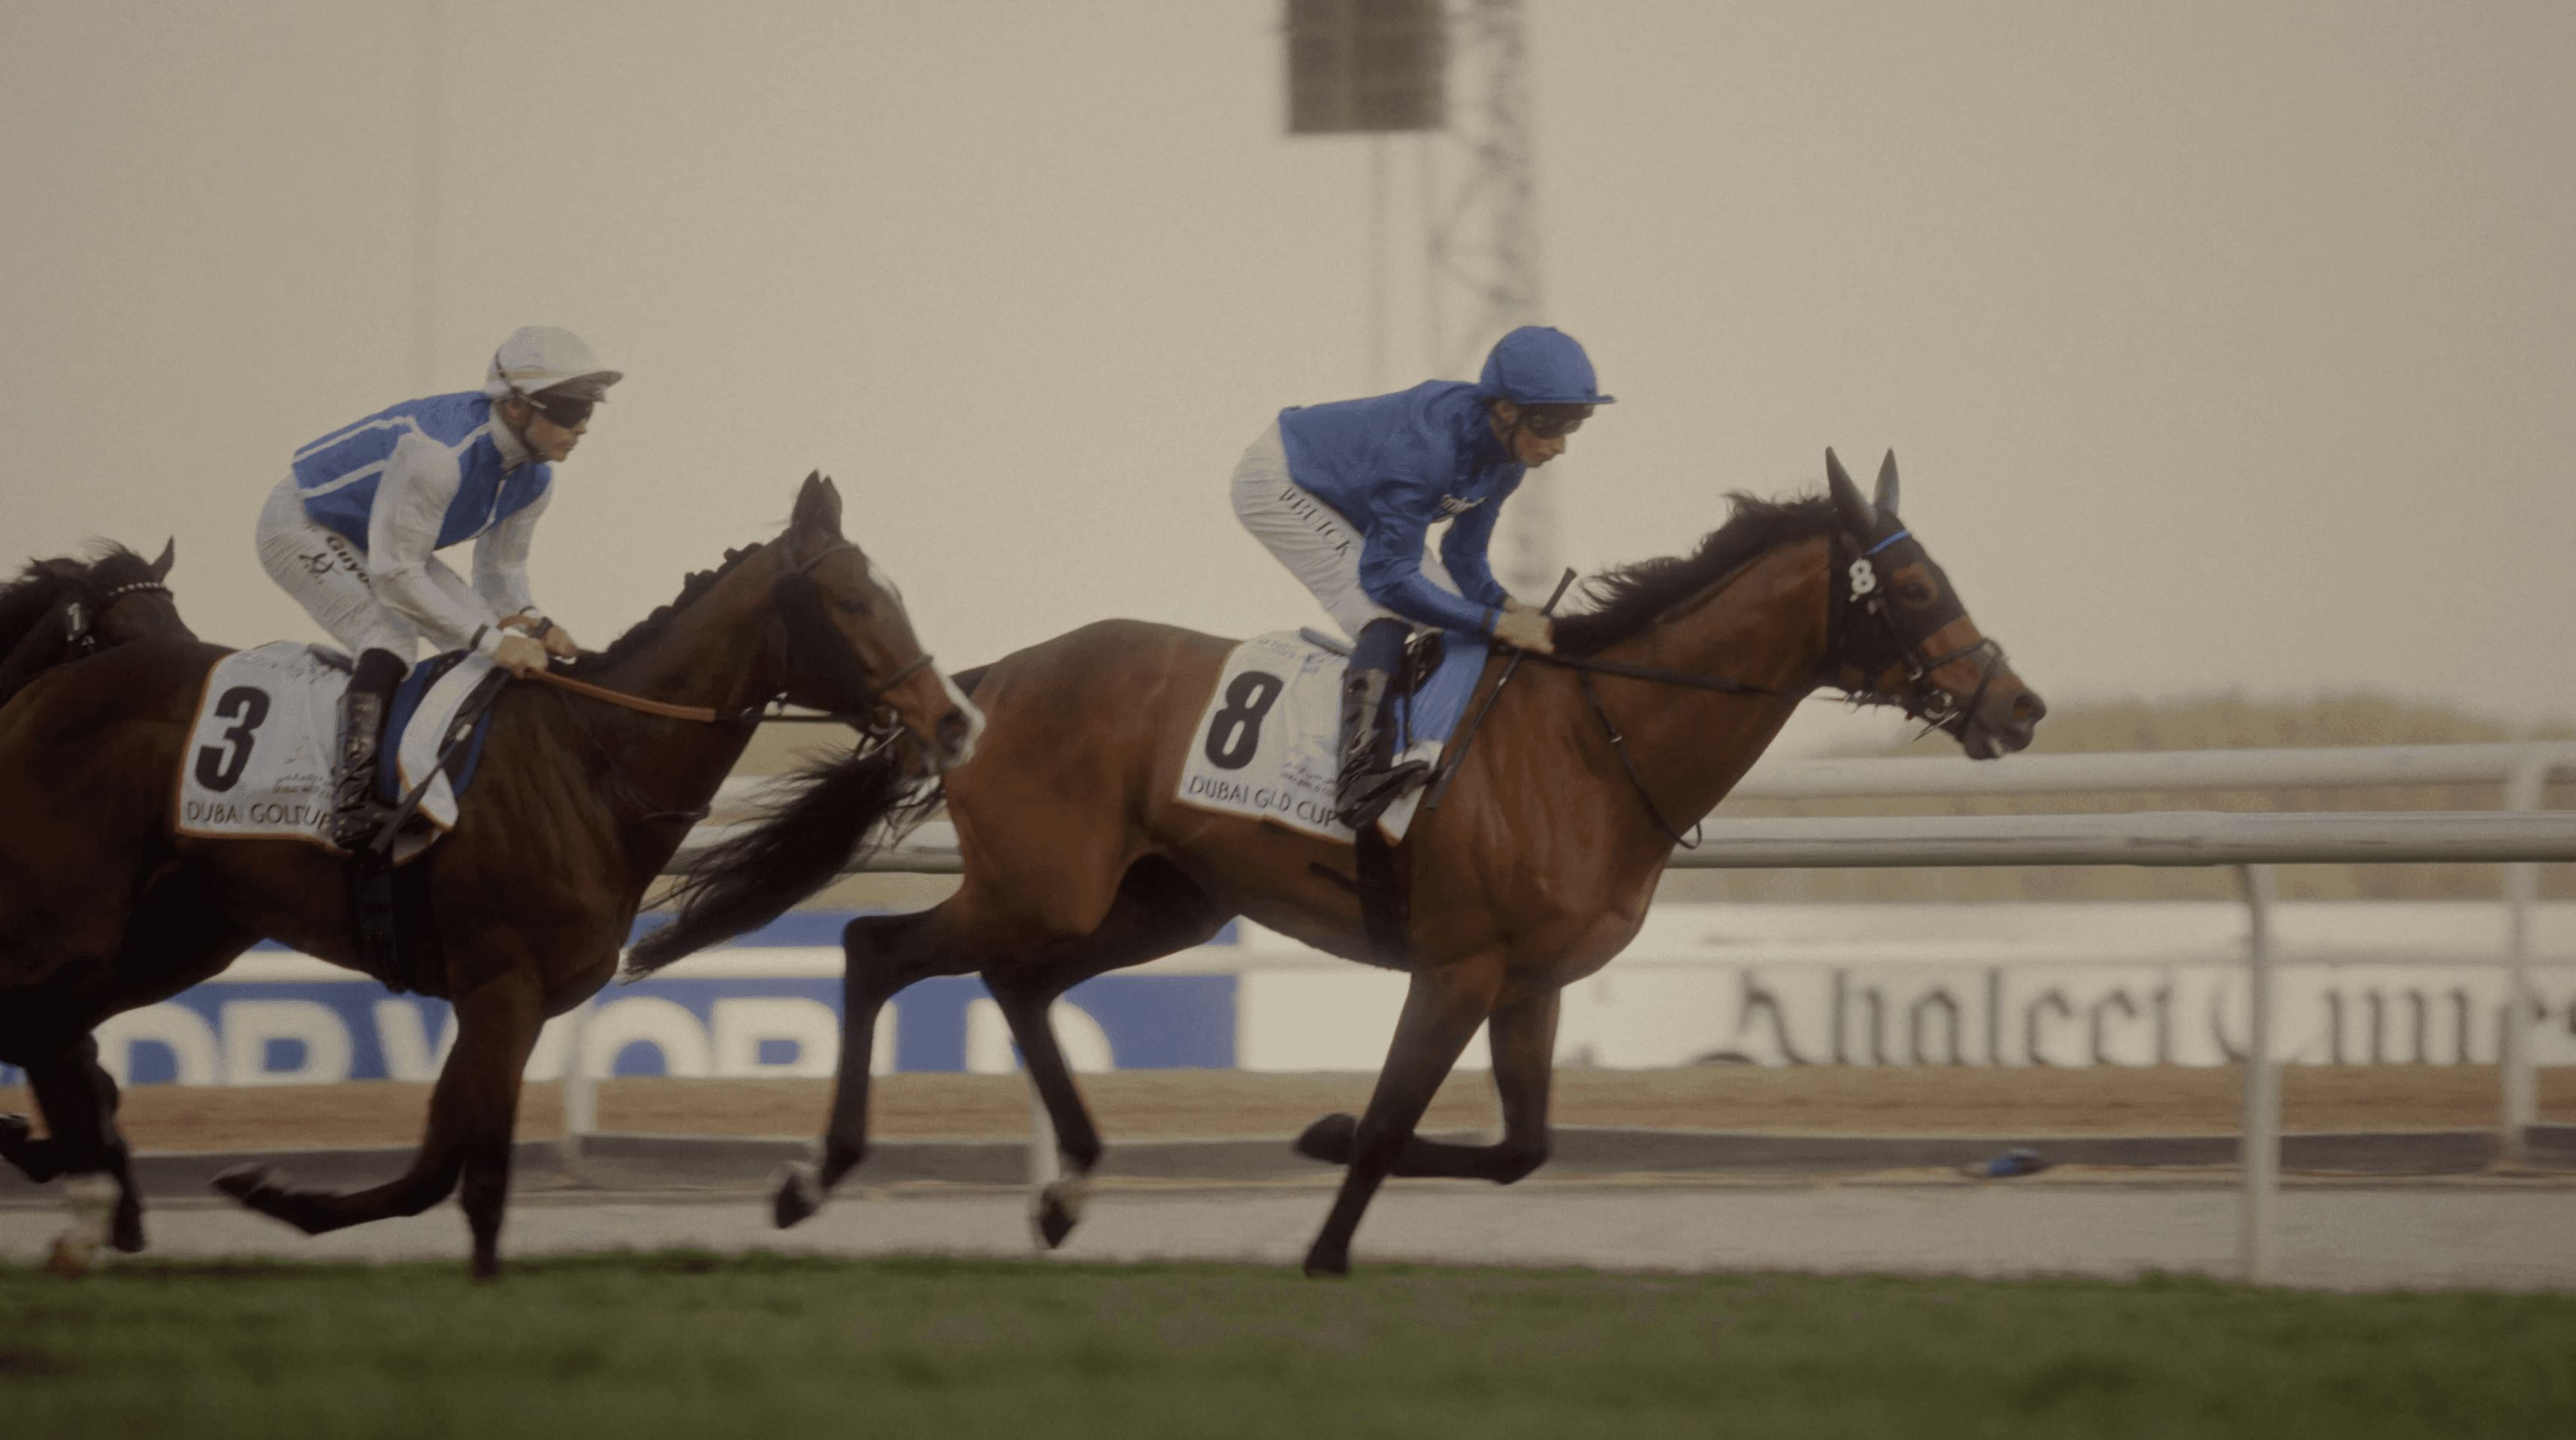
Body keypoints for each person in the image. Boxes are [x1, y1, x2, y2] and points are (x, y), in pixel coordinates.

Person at [1230, 324, 1614, 830]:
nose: (1559, 445)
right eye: (1550, 424)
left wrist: (1504, 604)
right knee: (1385, 613)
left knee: (1458, 622)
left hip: (1353, 494)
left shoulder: (1508, 460)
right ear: (1506, 409)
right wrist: (1498, 623)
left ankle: (1424, 743)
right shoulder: (1427, 448)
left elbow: (1462, 554)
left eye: (1574, 425)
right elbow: (1388, 580)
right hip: (1282, 479)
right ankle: (1357, 776)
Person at [253, 325, 621, 849]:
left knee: (481, 642)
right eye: (570, 409)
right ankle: (351, 802)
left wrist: (538, 624)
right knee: (390, 634)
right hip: (303, 522)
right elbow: (395, 578)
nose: (582, 426)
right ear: (515, 407)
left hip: (381, 538)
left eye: (590, 410)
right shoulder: (437, 457)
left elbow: (499, 578)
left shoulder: (535, 478)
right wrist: (494, 641)